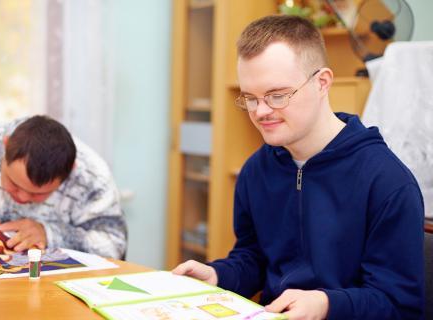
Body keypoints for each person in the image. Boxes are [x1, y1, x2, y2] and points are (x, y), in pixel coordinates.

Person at [173, 15, 424, 319]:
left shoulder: (388, 182)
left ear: (322, 83)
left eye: (277, 95)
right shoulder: (256, 170)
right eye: (250, 98)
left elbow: (399, 304)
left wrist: (327, 304)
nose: (262, 112)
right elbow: (254, 259)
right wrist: (218, 276)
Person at [0, 115, 127, 259]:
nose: (22, 197)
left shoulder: (91, 176)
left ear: (70, 172)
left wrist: (50, 234)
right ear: (5, 146)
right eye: (13, 183)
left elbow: (114, 245)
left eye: (38, 194)